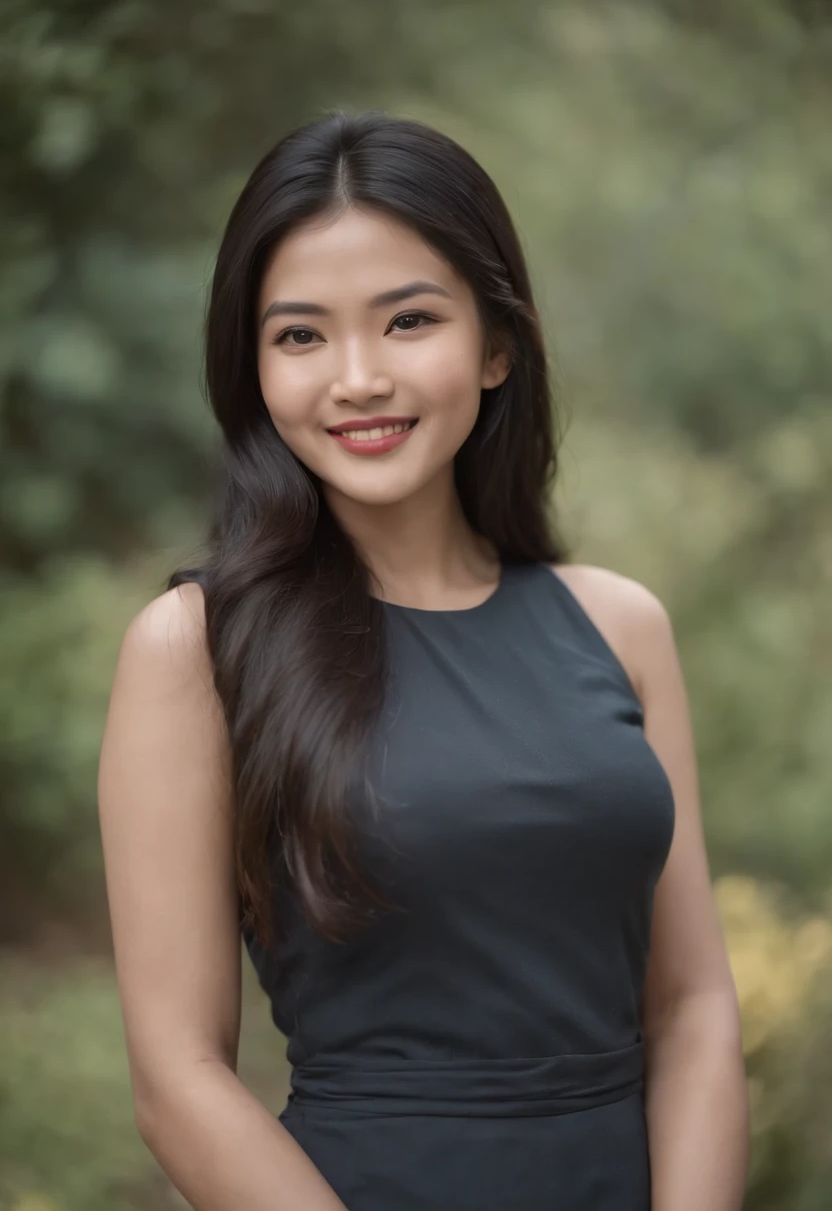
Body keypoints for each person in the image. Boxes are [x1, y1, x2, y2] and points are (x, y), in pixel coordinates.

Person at [97, 109, 749, 1210]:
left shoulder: (620, 625)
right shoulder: (196, 649)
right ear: (253, 369)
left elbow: (689, 1009)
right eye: (300, 336)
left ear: (497, 345)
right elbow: (178, 1079)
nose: (356, 377)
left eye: (407, 321)